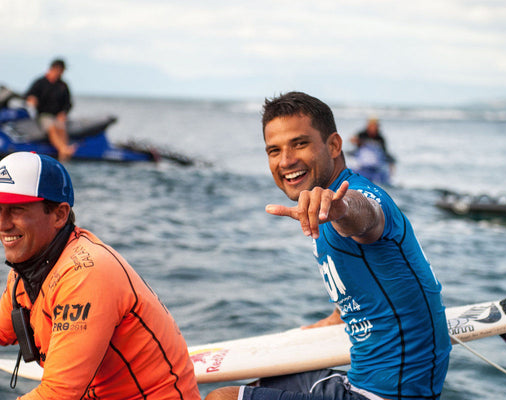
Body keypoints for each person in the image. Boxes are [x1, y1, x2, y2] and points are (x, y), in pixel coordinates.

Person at [206, 92, 451, 400]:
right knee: (267, 378)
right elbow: (363, 291)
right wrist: (319, 327)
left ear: (334, 145)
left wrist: (341, 210)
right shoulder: (326, 202)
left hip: (387, 396)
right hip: (364, 382)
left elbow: (366, 216)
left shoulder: (352, 199)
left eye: (300, 143)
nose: (286, 161)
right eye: (274, 150)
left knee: (221, 399)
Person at [0, 152, 201, 399]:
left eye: (16, 210)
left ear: (60, 215)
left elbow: (59, 394)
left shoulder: (85, 273)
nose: (3, 223)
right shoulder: (26, 269)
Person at [25, 59, 76, 161]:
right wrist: (32, 99)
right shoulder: (40, 82)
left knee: (61, 127)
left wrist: (64, 113)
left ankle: (64, 152)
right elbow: (28, 95)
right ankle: (64, 149)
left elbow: (68, 103)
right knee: (51, 127)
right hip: (43, 115)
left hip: (57, 115)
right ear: (53, 69)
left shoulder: (62, 85)